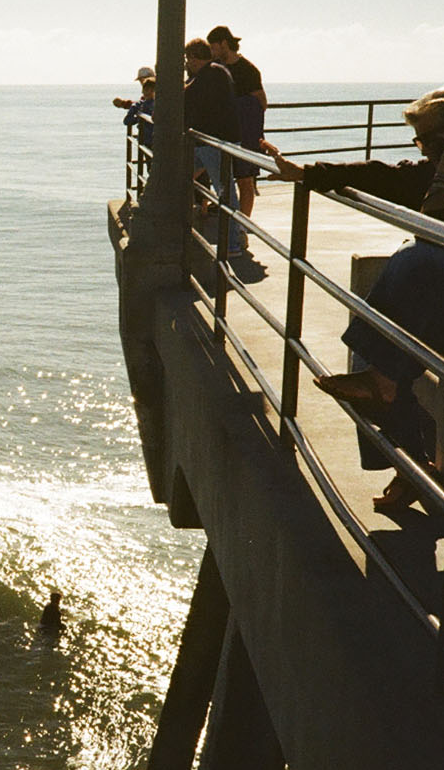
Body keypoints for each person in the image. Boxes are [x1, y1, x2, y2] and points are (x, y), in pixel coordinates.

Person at [263, 87, 444, 509]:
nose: (419, 151)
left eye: (422, 141)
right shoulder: (433, 173)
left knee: (412, 263)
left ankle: (410, 463)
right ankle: (411, 466)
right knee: (378, 354)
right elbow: (385, 175)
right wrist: (308, 173)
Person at [184, 38, 245, 256]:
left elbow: (188, 96)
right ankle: (235, 235)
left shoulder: (210, 75)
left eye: (187, 58)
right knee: (182, 175)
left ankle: (233, 242)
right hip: (210, 142)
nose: (186, 63)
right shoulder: (214, 72)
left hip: (216, 142)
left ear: (194, 57)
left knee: (225, 191)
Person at [208, 26, 267, 221]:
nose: (212, 52)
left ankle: (243, 227)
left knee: (245, 181)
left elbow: (261, 102)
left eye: (214, 47)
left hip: (244, 135)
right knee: (221, 178)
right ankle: (227, 220)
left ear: (225, 44)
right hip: (220, 133)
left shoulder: (248, 70)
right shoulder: (214, 67)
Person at [115, 73, 156, 149]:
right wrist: (138, 118)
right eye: (146, 90)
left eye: (151, 90)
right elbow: (126, 121)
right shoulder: (139, 105)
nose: (148, 92)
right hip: (146, 139)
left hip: (155, 139)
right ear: (142, 91)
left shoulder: (157, 104)